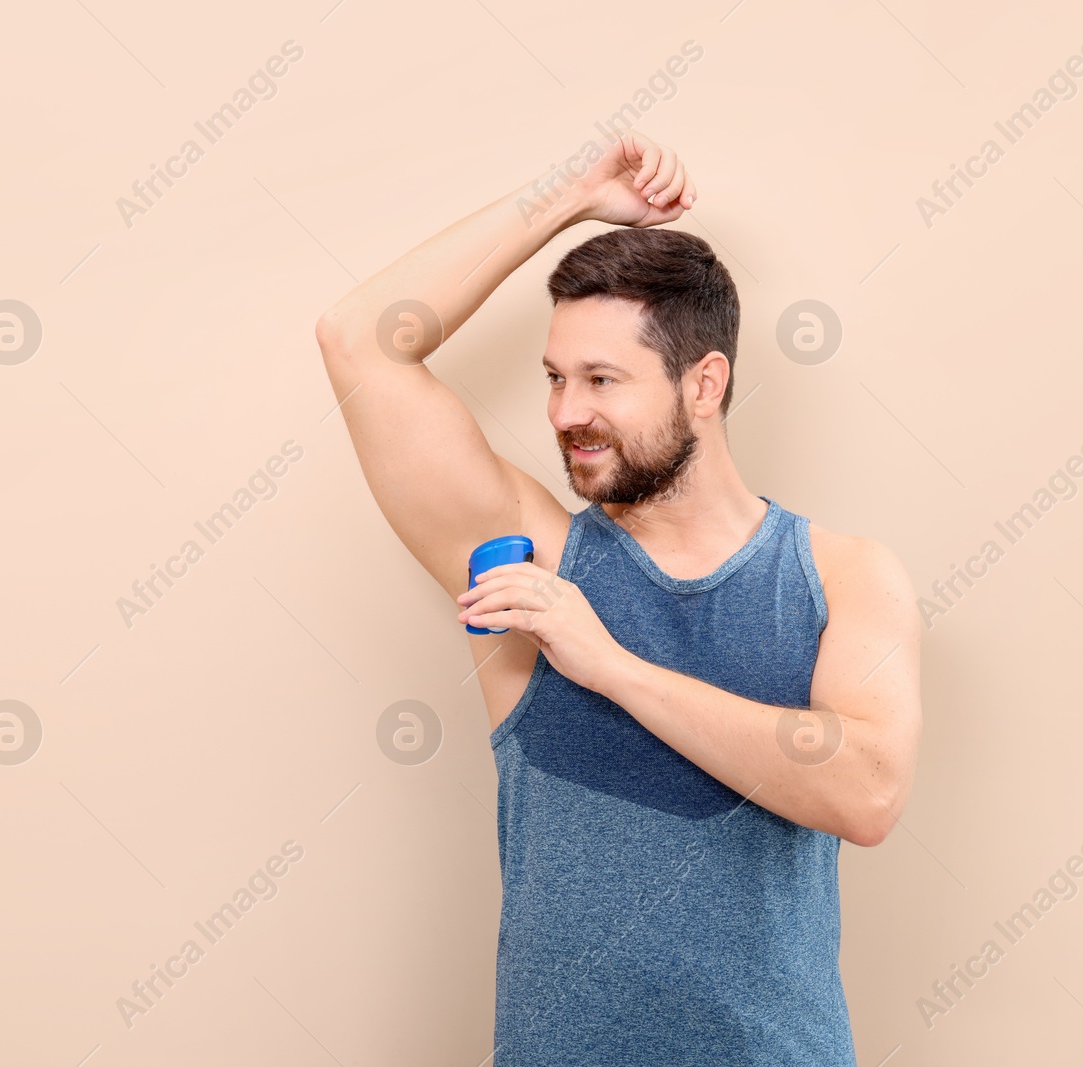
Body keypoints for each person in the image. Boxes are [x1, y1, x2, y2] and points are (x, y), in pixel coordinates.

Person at [314, 131, 923, 1065]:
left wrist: (613, 667)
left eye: (602, 380)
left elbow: (866, 789)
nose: (565, 413)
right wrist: (570, 196)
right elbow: (360, 342)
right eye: (556, 379)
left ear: (704, 383)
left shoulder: (843, 574)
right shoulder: (535, 556)